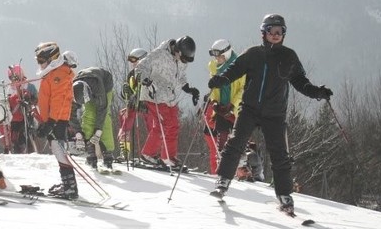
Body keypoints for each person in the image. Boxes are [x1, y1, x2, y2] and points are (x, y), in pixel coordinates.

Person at [209, 14, 333, 215]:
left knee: (280, 156)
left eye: (279, 32)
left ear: (283, 34)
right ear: (263, 33)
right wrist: (221, 79)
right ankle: (222, 182)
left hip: (274, 114)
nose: (275, 35)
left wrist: (318, 92)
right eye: (271, 31)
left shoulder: (289, 56)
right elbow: (234, 70)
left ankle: (284, 195)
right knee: (235, 144)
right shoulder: (253, 54)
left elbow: (301, 82)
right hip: (249, 109)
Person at [136, 36, 200, 169]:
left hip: (170, 97)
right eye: (182, 58)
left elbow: (180, 75)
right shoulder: (159, 54)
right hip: (154, 95)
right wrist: (145, 80)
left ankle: (167, 157)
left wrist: (188, 88)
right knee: (165, 125)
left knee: (174, 126)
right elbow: (141, 67)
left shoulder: (181, 59)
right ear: (178, 51)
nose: (183, 62)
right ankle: (150, 155)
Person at [33, 42, 78, 198]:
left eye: (41, 60)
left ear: (52, 59)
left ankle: (70, 187)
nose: (39, 64)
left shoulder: (58, 75)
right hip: (52, 120)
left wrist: (51, 123)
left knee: (59, 150)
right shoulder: (53, 74)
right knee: (57, 149)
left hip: (57, 120)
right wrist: (44, 122)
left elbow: (59, 101)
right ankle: (68, 185)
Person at [203, 39, 244, 174]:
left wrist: (232, 105)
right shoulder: (214, 67)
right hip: (221, 108)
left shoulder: (240, 66)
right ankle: (222, 170)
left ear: (226, 54)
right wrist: (214, 102)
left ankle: (238, 170)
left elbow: (243, 88)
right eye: (215, 56)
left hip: (234, 110)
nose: (217, 59)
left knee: (236, 140)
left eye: (219, 56)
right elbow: (215, 88)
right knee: (221, 138)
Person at [73, 66, 117, 171]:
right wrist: (78, 133)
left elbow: (102, 109)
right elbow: (70, 114)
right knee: (88, 115)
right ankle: (91, 153)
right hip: (85, 85)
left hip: (104, 85)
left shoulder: (97, 86)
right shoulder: (72, 92)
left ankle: (108, 155)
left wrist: (98, 132)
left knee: (105, 118)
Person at [117, 48, 148, 161]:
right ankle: (125, 150)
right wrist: (125, 92)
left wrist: (140, 98)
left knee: (152, 124)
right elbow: (127, 92)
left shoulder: (148, 71)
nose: (132, 63)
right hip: (134, 104)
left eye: (134, 60)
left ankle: (152, 154)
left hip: (146, 104)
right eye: (131, 60)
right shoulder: (131, 74)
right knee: (125, 116)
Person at [6, 64, 38, 154]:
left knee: (28, 134)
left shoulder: (29, 86)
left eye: (16, 76)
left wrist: (29, 100)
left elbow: (36, 100)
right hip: (15, 117)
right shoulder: (10, 88)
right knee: (15, 137)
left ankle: (31, 152)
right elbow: (8, 103)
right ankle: (17, 153)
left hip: (27, 115)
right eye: (11, 77)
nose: (14, 79)